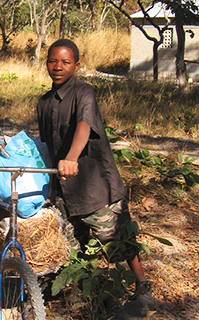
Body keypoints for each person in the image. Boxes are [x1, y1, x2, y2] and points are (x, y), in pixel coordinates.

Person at [36, 39, 154, 313]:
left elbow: (84, 125)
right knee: (71, 243)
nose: (58, 67)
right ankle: (86, 291)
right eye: (53, 61)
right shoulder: (43, 103)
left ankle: (142, 286)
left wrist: (72, 157)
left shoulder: (83, 92)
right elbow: (46, 144)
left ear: (77, 65)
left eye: (65, 62)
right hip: (65, 189)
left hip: (96, 186)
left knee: (116, 241)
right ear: (46, 64)